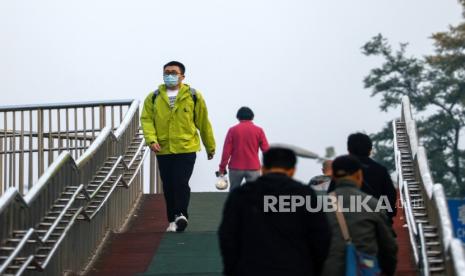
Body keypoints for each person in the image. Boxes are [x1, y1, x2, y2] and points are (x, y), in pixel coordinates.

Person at [218, 147, 331, 276]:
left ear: (263, 168)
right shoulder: (305, 194)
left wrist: (232, 270)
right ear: (292, 170)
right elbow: (321, 237)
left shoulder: (241, 194)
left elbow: (228, 236)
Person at [140, 61, 216, 232]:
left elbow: (203, 122)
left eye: (173, 72)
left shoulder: (194, 96)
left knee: (180, 181)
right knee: (168, 185)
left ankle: (181, 214)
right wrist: (151, 140)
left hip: (186, 147)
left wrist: (210, 146)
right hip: (163, 148)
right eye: (166, 72)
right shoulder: (153, 97)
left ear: (182, 76)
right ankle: (172, 220)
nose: (169, 75)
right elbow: (146, 120)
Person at [322, 155, 398, 276]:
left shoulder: (319, 206)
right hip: (364, 270)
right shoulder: (373, 204)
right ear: (359, 175)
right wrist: (387, 270)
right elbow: (389, 247)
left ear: (334, 177)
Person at [328, 133, 397, 222]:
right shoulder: (380, 170)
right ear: (370, 150)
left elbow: (331, 196)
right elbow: (390, 197)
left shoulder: (341, 169)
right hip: (376, 221)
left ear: (348, 149)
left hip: (346, 223)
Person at [218, 106, 269, 191]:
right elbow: (266, 151)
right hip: (253, 167)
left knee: (234, 194)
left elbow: (226, 152)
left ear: (238, 117)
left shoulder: (232, 130)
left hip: (235, 167)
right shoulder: (259, 130)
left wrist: (222, 168)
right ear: (252, 117)